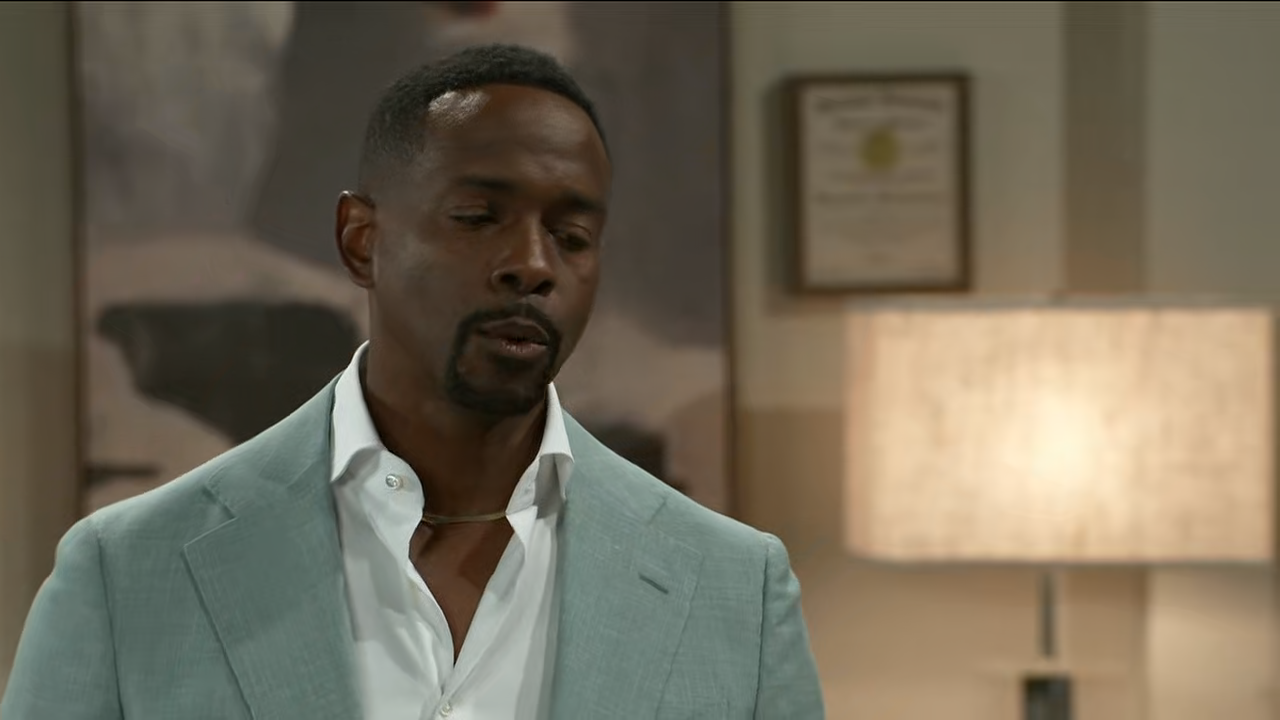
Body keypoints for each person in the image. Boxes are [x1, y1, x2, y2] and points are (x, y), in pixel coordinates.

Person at [1, 44, 825, 719]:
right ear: (361, 240)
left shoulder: (735, 590)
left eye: (571, 235)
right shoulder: (126, 574)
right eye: (478, 218)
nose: (532, 264)